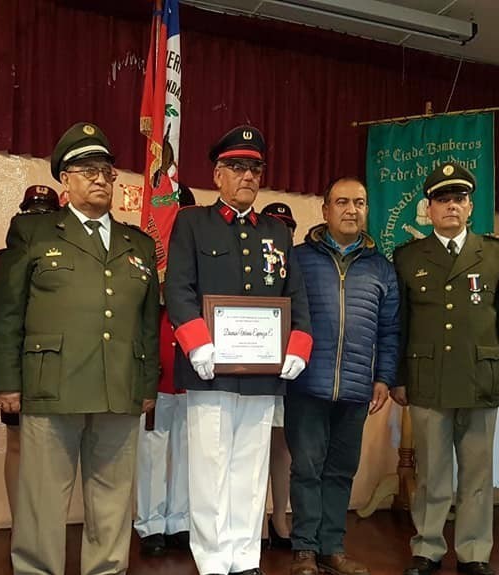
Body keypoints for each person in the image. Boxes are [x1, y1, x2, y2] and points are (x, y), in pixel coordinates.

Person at [0, 122, 160, 575]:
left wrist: (147, 386)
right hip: (52, 387)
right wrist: (5, 381)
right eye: (87, 170)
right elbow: (7, 313)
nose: (100, 178)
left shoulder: (138, 244)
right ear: (65, 179)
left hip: (118, 388)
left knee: (113, 500)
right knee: (43, 499)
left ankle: (106, 570)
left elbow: (147, 326)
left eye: (106, 170)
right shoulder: (35, 233)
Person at [164, 125, 313, 575]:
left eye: (254, 168)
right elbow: (178, 287)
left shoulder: (277, 232)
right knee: (210, 466)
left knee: (251, 468)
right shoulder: (192, 223)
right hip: (209, 367)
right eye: (237, 167)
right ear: (218, 174)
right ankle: (212, 557)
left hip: (263, 371)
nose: (247, 175)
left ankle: (245, 557)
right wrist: (195, 342)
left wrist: (298, 346)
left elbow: (296, 296)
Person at [392, 162, 499, 575]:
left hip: (481, 378)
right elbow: (400, 324)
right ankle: (427, 548)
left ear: (470, 207)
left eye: (459, 199)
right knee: (431, 473)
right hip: (427, 379)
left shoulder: (496, 252)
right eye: (442, 199)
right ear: (428, 208)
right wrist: (397, 378)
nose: (451, 206)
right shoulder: (408, 257)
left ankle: (473, 552)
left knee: (477, 476)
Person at [287, 178, 400, 575]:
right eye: (342, 202)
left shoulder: (382, 269)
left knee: (339, 471)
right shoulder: (298, 259)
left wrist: (384, 376)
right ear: (325, 210)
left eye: (360, 202)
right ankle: (303, 550)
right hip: (306, 384)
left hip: (355, 389)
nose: (351, 210)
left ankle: (331, 549)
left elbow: (389, 330)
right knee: (306, 468)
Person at [0, 184, 60, 515]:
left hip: (55, 367)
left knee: (55, 449)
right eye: (32, 212)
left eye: (46, 213)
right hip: (17, 366)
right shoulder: (6, 257)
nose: (37, 219)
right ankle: (20, 522)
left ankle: (47, 526)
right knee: (18, 444)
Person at [135, 185, 196, 556]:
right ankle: (150, 524)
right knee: (152, 450)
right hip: (156, 368)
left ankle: (180, 521)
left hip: (190, 368)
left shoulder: (200, 255)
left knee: (188, 450)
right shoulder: (146, 254)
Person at [259, 201, 298, 549]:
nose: (281, 233)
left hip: (288, 369)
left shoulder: (298, 263)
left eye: (288, 228)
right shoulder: (247, 262)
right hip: (251, 368)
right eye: (275, 225)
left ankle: (280, 517)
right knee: (252, 447)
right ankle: (254, 520)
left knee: (282, 448)